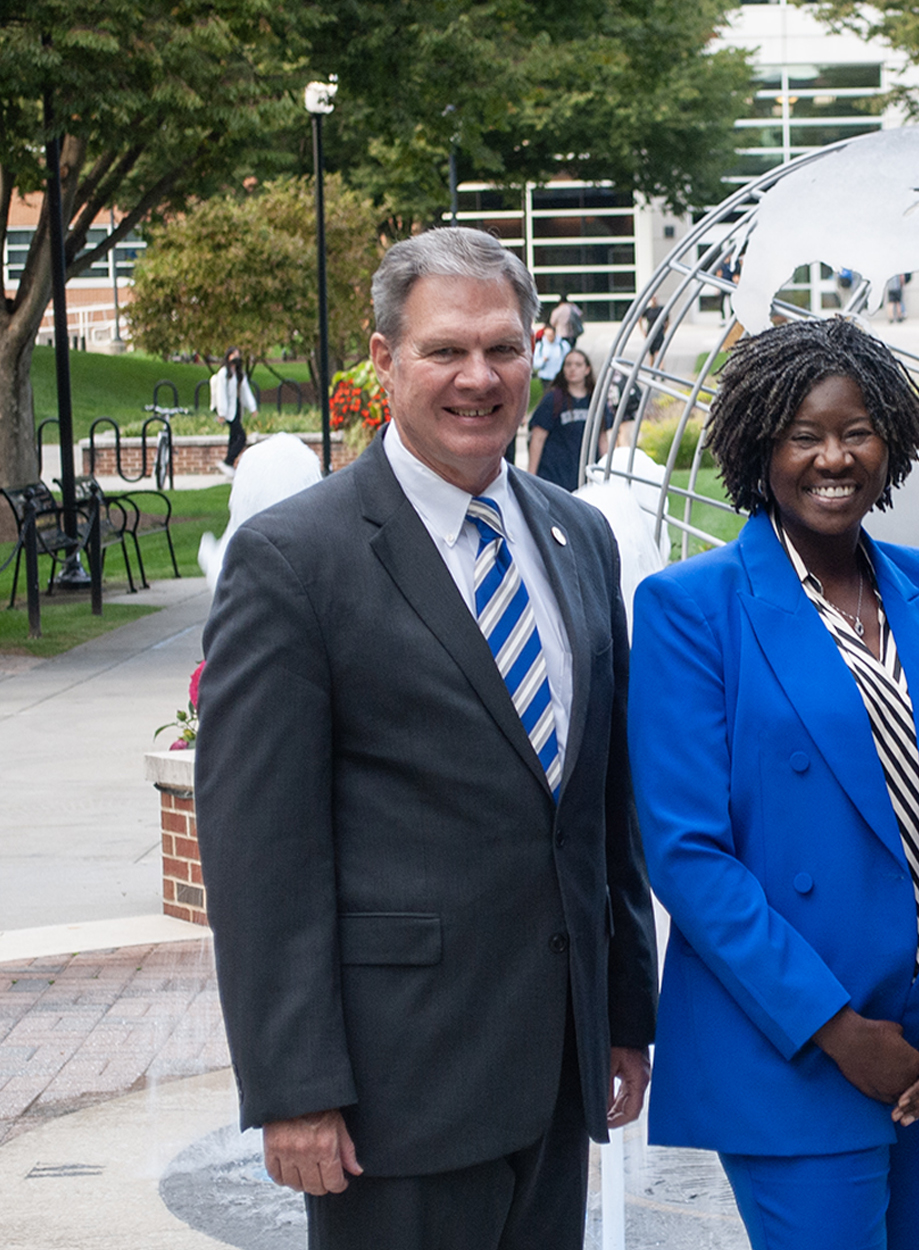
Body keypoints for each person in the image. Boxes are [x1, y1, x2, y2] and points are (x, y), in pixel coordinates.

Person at [194, 227, 657, 1250]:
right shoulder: (294, 559)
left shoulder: (580, 536)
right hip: (390, 1096)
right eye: (445, 349)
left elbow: (600, 804)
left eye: (503, 347)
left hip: (554, 1071)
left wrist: (625, 1012)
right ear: (383, 359)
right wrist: (295, 1085)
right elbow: (260, 850)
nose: (478, 377)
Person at [628, 316, 919, 1250]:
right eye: (802, 435)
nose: (833, 457)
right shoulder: (689, 608)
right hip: (798, 1046)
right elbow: (687, 854)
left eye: (855, 430)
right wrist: (832, 1027)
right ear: (756, 447)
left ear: (889, 441)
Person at [527, 348, 595, 491]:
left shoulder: (595, 401)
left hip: (586, 478)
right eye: (568, 364)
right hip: (555, 478)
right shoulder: (553, 399)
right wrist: (531, 477)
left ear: (587, 369)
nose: (572, 369)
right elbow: (537, 438)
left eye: (578, 365)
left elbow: (603, 438)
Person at [210, 346, 257, 475]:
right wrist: (222, 413)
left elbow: (245, 390)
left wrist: (252, 407)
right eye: (234, 355)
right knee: (241, 437)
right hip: (228, 410)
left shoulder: (239, 373)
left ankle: (229, 466)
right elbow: (221, 394)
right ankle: (228, 462)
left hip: (237, 408)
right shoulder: (224, 373)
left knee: (233, 437)